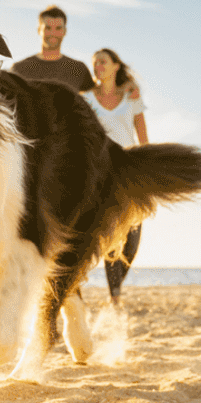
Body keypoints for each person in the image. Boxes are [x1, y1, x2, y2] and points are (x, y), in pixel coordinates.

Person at [82, 48, 149, 305]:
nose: (98, 66)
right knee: (112, 234)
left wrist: (148, 168)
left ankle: (115, 288)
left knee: (132, 239)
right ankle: (115, 297)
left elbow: (142, 135)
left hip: (131, 170)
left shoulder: (131, 97)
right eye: (95, 63)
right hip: (101, 171)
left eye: (103, 62)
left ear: (115, 67)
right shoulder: (87, 98)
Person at [10, 5, 93, 92]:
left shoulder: (79, 69)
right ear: (39, 30)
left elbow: (95, 101)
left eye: (58, 28)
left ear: (65, 31)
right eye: (48, 28)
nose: (53, 33)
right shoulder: (19, 69)